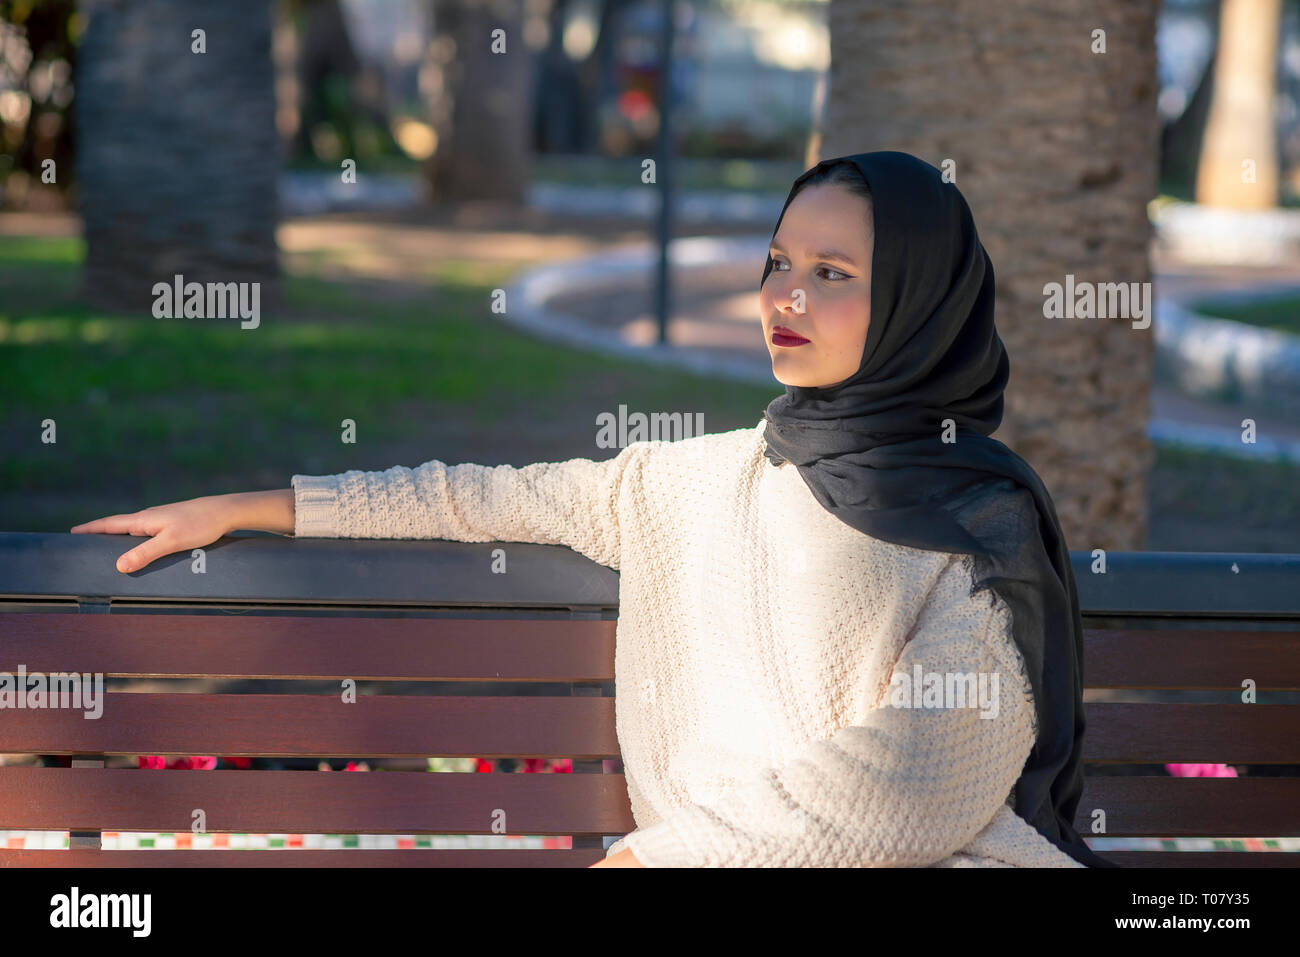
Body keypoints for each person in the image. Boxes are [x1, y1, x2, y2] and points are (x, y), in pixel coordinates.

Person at [72, 150, 1115, 868]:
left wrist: (660, 856)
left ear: (918, 304)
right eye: (777, 262)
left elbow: (919, 780)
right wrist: (254, 507)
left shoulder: (976, 520)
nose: (783, 298)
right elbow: (472, 497)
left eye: (831, 273)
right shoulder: (686, 483)